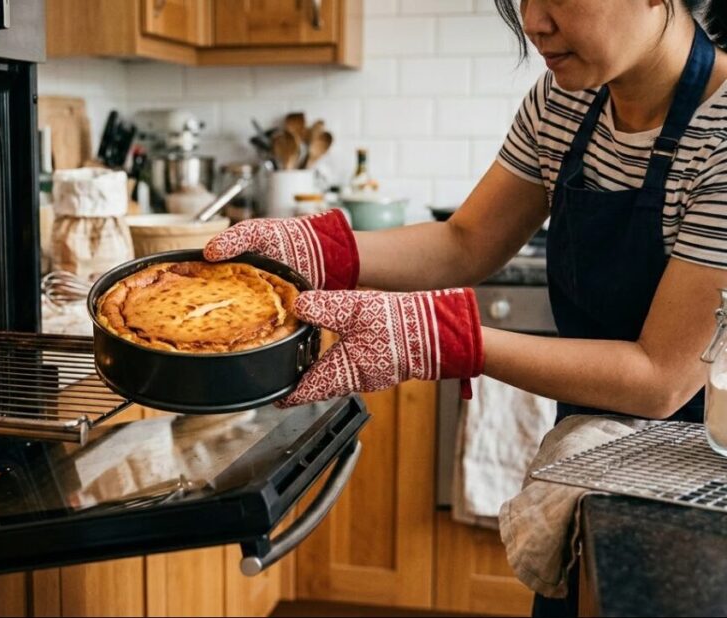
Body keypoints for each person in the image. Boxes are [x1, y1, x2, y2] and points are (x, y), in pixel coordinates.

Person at [204, 1, 727, 615]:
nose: (534, 22)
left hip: (695, 484)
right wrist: (321, 248)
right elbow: (467, 241)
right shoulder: (566, 101)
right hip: (592, 464)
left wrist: (447, 337)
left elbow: (661, 377)